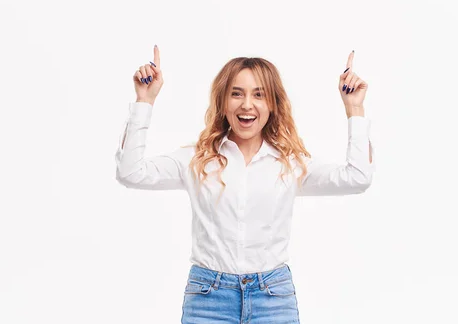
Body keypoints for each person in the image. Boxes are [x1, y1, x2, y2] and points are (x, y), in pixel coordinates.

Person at [115, 45, 375, 323]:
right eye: (236, 93)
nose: (247, 104)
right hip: (208, 299)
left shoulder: (290, 163)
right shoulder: (197, 159)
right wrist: (144, 101)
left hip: (273, 298)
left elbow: (357, 177)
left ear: (273, 104)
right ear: (222, 101)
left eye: (258, 94)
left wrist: (354, 108)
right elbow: (130, 172)